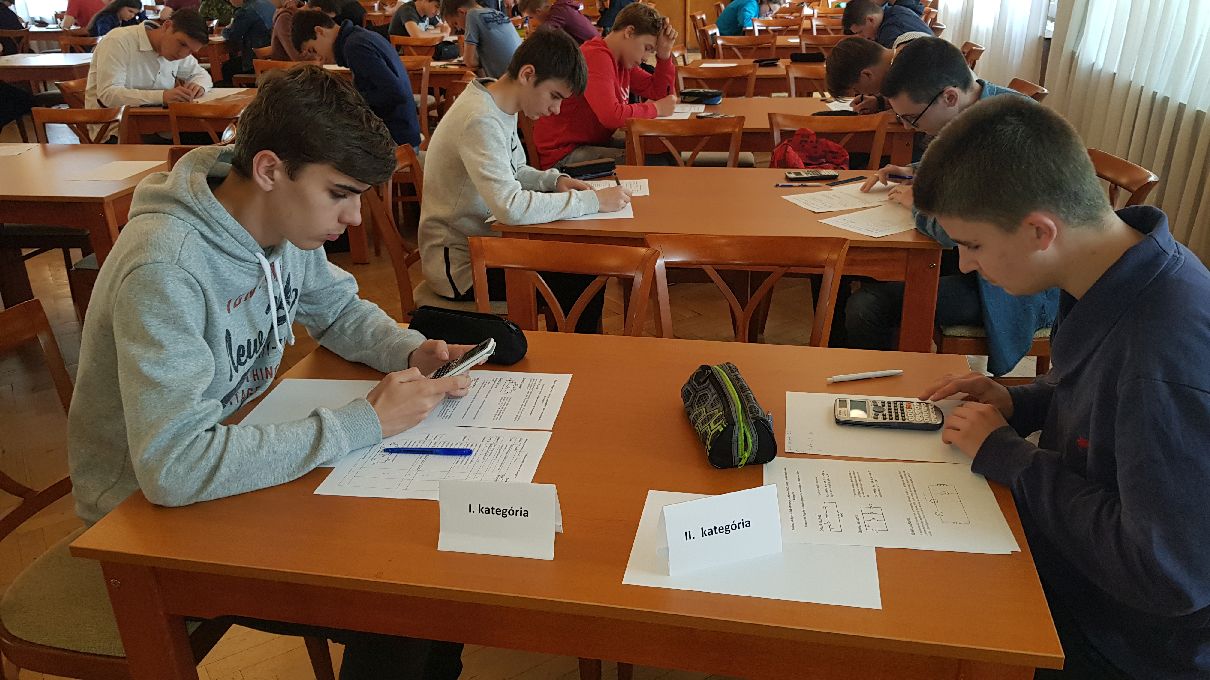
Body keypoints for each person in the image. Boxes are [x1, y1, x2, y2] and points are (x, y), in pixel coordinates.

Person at [68, 63, 469, 680]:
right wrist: (361, 422)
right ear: (269, 169)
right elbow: (173, 468)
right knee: (401, 608)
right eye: (339, 193)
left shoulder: (275, 226)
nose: (354, 218)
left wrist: (409, 351)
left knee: (436, 586)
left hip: (235, 457)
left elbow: (337, 309)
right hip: (143, 519)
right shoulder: (166, 268)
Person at [915, 96, 1210, 680]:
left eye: (973, 245)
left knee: (915, 617)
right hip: (1086, 569)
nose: (966, 265)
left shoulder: (1162, 356)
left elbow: (1169, 574)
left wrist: (1010, 457)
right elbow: (1100, 399)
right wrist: (1017, 401)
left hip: (1127, 640)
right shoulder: (1121, 269)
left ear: (1039, 231)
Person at [844, 37, 1055, 376]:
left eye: (911, 118)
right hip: (977, 260)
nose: (907, 127)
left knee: (867, 306)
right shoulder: (976, 107)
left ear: (950, 96)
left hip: (1013, 285)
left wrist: (918, 204)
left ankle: (885, 388)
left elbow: (958, 230)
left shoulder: (1007, 132)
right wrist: (912, 172)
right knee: (854, 268)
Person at [418, 28, 630, 333]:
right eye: (554, 96)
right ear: (528, 75)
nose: (556, 109)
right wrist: (592, 201)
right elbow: (511, 208)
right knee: (582, 274)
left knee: (583, 265)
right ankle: (573, 353)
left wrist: (554, 182)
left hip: (487, 245)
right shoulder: (480, 119)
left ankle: (574, 351)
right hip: (460, 268)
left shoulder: (498, 104)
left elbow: (515, 170)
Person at [531, 2, 677, 170]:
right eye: (647, 48)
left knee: (663, 151)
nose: (645, 57)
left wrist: (664, 55)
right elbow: (611, 116)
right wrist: (656, 108)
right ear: (629, 32)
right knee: (657, 162)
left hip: (591, 143)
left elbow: (661, 94)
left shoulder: (622, 60)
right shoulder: (596, 56)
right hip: (563, 154)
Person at [293, 9, 421, 147]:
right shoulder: (360, 36)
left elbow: (395, 93)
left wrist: (352, 100)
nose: (319, 58)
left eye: (313, 50)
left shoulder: (355, 47)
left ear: (319, 31)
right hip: (403, 131)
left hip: (396, 139)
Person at [85, 9, 213, 115]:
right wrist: (162, 97)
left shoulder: (176, 51)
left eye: (191, 51)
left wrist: (199, 86)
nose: (182, 54)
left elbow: (201, 75)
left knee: (217, 132)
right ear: (167, 26)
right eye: (182, 44)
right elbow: (108, 95)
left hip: (162, 124)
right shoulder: (118, 40)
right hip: (115, 126)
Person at [440, 0, 521, 79]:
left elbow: (469, 61)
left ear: (461, 12)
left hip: (508, 82)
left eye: (455, 23)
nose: (458, 28)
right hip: (520, 76)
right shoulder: (497, 13)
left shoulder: (471, 14)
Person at [841, 0, 931, 49]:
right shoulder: (895, 10)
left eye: (860, 32)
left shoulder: (890, 31)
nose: (862, 37)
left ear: (871, 20)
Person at [388, 0, 459, 60]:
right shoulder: (408, 10)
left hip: (420, 50)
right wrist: (443, 34)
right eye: (436, 6)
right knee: (452, 51)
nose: (438, 12)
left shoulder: (428, 13)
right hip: (404, 55)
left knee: (456, 48)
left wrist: (428, 32)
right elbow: (417, 35)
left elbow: (442, 27)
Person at [222, 0, 274, 80]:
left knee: (226, 68)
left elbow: (233, 35)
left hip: (255, 61)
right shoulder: (268, 4)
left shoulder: (245, 11)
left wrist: (225, 30)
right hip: (272, 57)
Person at [516, 0, 597, 44]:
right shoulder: (559, 10)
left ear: (538, 12)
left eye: (531, 17)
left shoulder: (559, 12)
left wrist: (531, 38)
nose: (532, 20)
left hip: (595, 49)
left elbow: (545, 31)